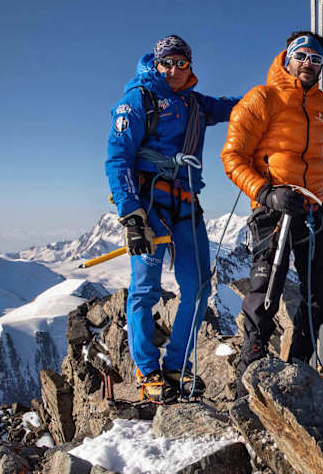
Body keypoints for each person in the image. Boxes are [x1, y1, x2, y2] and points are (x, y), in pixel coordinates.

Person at [106, 35, 241, 403]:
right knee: (145, 290)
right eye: (167, 62)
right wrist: (131, 216)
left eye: (182, 63)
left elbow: (238, 106)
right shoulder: (138, 99)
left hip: (186, 203)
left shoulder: (196, 104)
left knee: (197, 288)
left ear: (190, 66)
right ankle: (147, 370)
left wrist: (276, 94)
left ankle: (177, 365)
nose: (174, 70)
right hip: (149, 203)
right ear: (157, 64)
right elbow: (118, 158)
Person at [221, 30, 323, 382]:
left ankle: (297, 367)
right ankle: (250, 372)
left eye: (316, 58)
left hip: (312, 209)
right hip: (274, 209)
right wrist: (266, 193)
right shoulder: (262, 98)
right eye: (302, 56)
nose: (309, 63)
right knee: (266, 291)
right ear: (287, 58)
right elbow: (232, 157)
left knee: (319, 296)